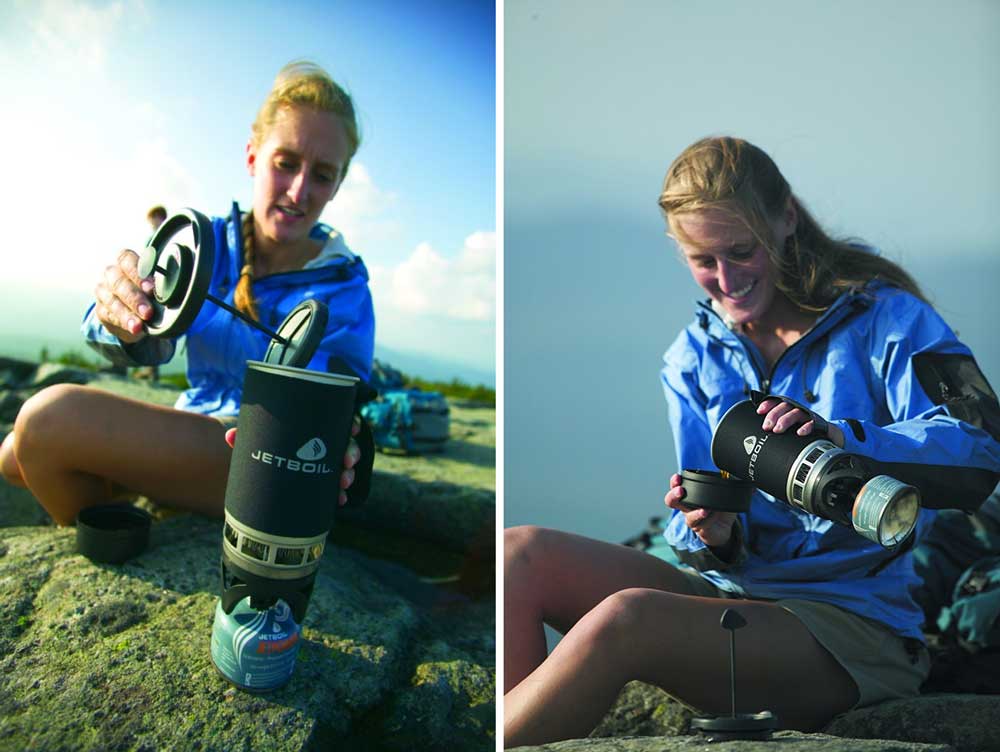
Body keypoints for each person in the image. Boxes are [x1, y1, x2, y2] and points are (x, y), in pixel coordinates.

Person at [503, 136, 1000, 746]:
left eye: (742, 250)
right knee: (517, 554)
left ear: (786, 218)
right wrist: (713, 529)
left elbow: (980, 447)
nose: (727, 280)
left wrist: (843, 438)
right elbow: (699, 523)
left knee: (625, 621)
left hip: (851, 625)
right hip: (732, 596)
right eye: (702, 260)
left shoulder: (888, 320)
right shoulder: (690, 358)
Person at [0, 60, 375, 527]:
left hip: (265, 459)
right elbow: (129, 335)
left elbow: (331, 405)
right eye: (286, 163)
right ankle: (120, 533)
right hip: (195, 433)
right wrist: (124, 319)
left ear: (338, 185)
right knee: (14, 455)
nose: (299, 190)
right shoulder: (208, 244)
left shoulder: (343, 287)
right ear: (253, 156)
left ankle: (122, 535)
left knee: (47, 420)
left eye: (321, 174)